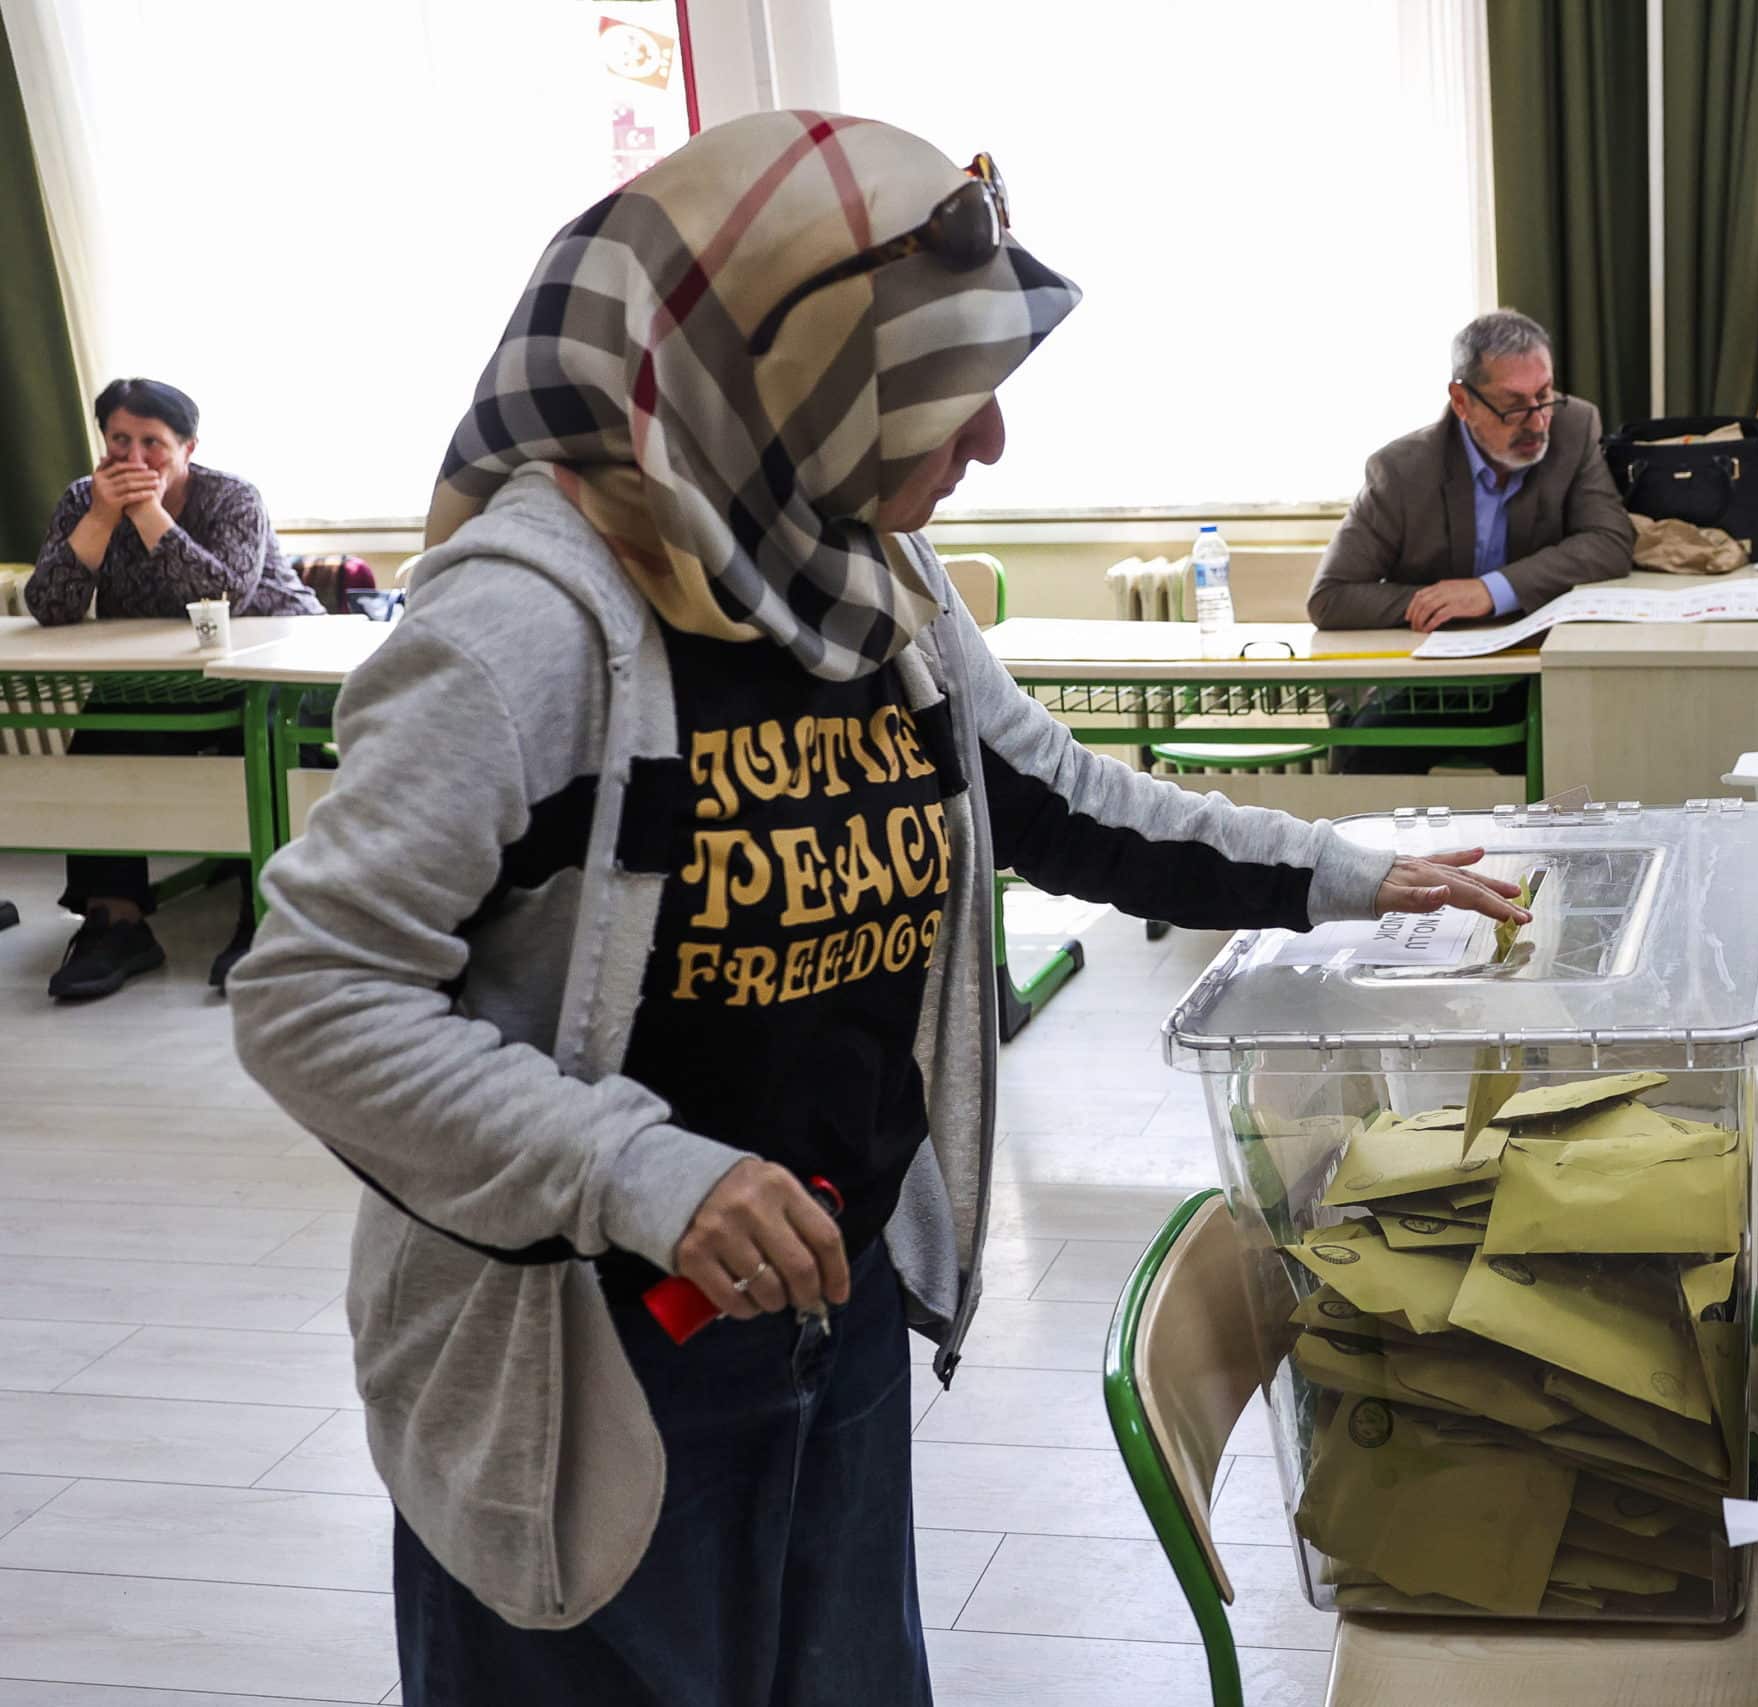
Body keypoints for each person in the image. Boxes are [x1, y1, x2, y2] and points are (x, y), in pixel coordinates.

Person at [226, 114, 1527, 1706]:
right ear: (802, 372)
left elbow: (1058, 796)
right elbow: (311, 996)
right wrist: (638, 1166)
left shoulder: (862, 576)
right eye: (951, 391)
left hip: (819, 1301)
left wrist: (1346, 871)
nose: (987, 446)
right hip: (581, 1347)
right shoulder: (530, 621)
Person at [26, 377, 323, 999]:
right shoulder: (84, 499)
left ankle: (267, 916)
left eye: (153, 444)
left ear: (188, 447)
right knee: (106, 727)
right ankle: (116, 921)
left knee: (263, 736)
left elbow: (223, 596)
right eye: (119, 441)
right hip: (163, 668)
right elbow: (50, 606)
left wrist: (151, 514)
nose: (134, 461)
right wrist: (104, 516)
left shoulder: (232, 497)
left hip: (270, 657)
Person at [1307, 310, 1632, 776]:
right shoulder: (1401, 470)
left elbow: (1609, 541)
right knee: (1367, 759)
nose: (1538, 422)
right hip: (1428, 687)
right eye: (1514, 405)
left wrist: (1490, 590)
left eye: (1544, 396)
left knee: (1587, 755)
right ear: (1462, 401)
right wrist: (1435, 602)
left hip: (1537, 673)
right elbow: (1330, 597)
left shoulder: (1574, 426)